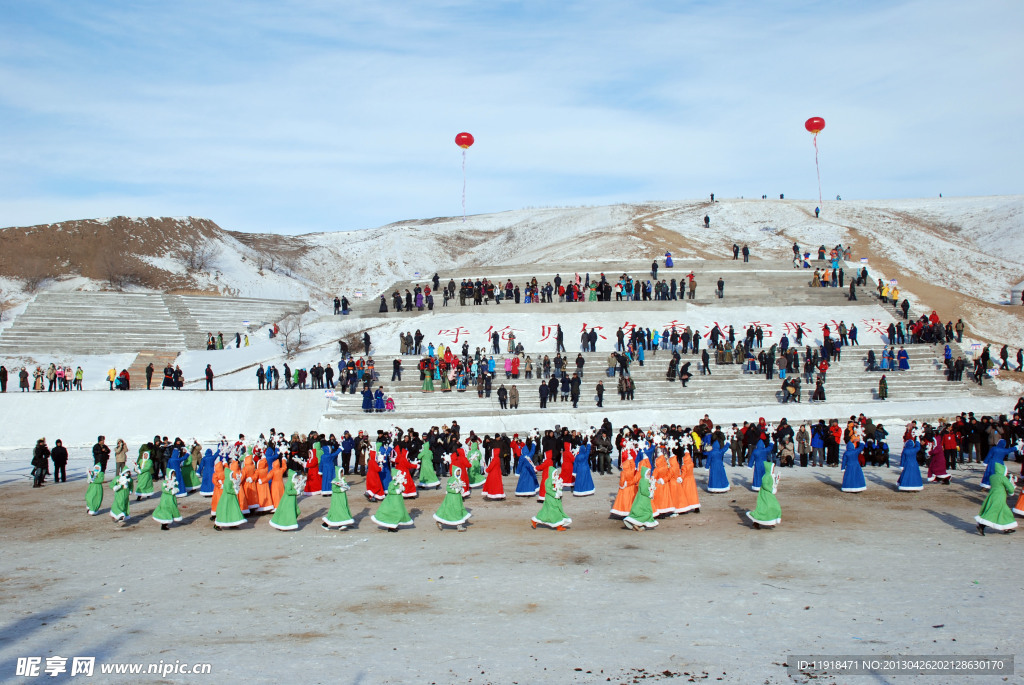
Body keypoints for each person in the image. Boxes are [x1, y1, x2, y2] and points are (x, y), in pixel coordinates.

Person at [975, 463, 1018, 535]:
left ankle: (1007, 528)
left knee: (1004, 511)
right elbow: (1010, 488)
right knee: (994, 511)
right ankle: (981, 525)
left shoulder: (992, 477)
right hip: (1000, 496)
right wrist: (1011, 489)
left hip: (992, 494)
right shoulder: (1002, 477)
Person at [532, 464, 571, 531]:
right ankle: (558, 525)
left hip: (556, 499)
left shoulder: (556, 480)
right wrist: (554, 494)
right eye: (555, 473)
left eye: (556, 473)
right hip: (550, 499)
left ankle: (536, 520)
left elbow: (558, 487)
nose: (556, 474)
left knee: (546, 512)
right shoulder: (548, 481)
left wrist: (559, 491)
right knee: (555, 511)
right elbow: (548, 489)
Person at [434, 467, 472, 531]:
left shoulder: (458, 479)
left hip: (457, 498)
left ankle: (458, 525)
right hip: (451, 498)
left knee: (457, 510)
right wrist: (456, 491)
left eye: (459, 471)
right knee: (451, 510)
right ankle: (441, 522)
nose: (459, 473)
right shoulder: (452, 479)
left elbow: (460, 486)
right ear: (454, 472)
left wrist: (461, 490)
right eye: (457, 471)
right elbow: (448, 488)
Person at [747, 462, 781, 529]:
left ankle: (770, 521)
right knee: (766, 508)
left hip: (769, 494)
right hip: (765, 494)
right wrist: (772, 490)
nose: (774, 469)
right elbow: (765, 485)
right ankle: (757, 522)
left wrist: (775, 485)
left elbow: (771, 484)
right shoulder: (766, 476)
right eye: (773, 468)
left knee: (772, 506)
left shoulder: (771, 476)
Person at [623, 466, 657, 531]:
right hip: (644, 499)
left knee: (643, 511)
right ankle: (638, 523)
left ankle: (639, 524)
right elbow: (644, 491)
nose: (649, 474)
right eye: (648, 472)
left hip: (643, 499)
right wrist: (649, 493)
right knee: (647, 512)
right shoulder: (644, 481)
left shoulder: (644, 480)